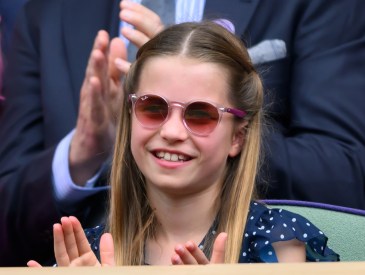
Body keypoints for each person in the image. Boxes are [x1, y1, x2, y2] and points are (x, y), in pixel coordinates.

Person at [1, 0, 364, 266]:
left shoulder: (282, 242)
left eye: (201, 114)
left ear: (239, 135)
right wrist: (84, 148)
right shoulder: (88, 253)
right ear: (130, 117)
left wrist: (183, 64)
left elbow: (345, 166)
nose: (172, 130)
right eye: (153, 108)